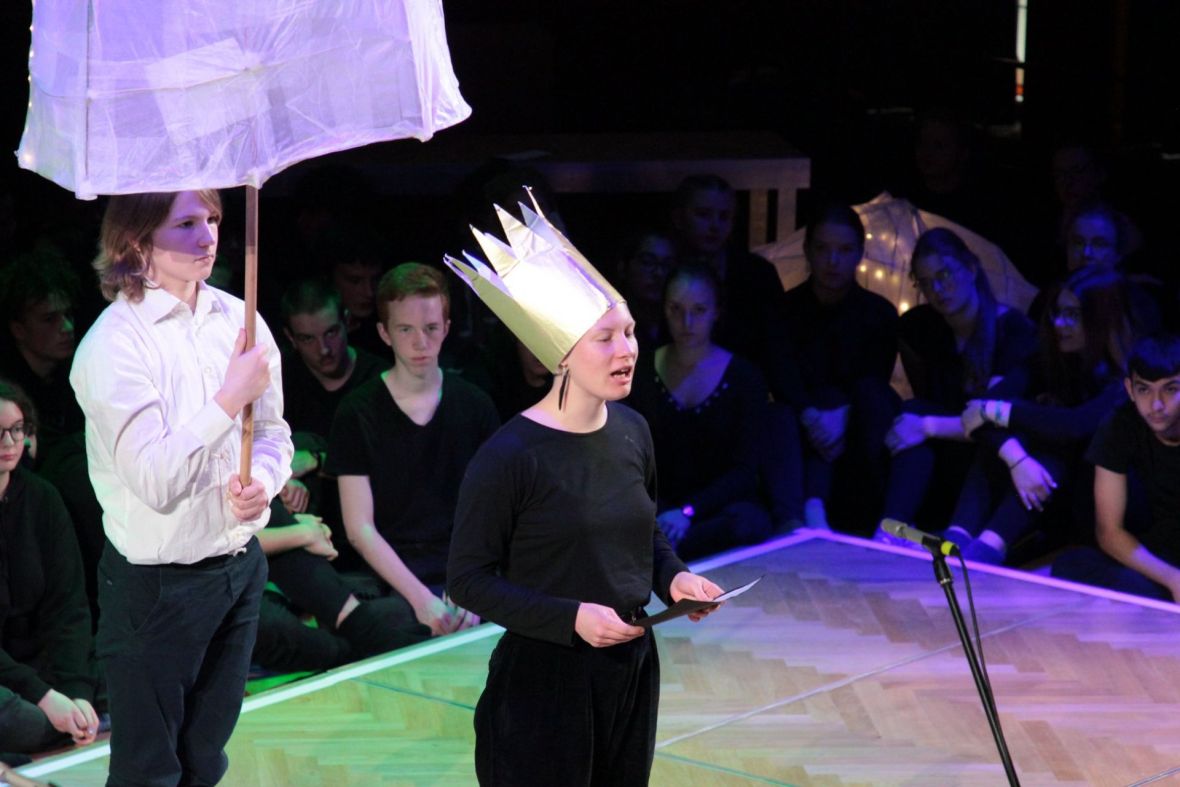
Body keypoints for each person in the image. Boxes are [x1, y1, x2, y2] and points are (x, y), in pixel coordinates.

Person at [446, 193, 724, 785]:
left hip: (630, 666)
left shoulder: (633, 431)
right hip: (544, 685)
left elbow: (641, 531)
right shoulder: (509, 457)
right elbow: (467, 579)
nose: (626, 349)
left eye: (627, 332)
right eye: (605, 338)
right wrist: (571, 618)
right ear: (562, 355)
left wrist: (673, 577)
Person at [70, 189, 293, 786]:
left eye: (214, 219)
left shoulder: (238, 319)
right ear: (138, 240)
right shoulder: (114, 343)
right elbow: (155, 480)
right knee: (150, 769)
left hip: (238, 569)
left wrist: (263, 482)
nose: (208, 236)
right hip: (157, 588)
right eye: (187, 223)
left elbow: (273, 432)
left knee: (204, 759)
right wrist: (228, 398)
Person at [327, 263, 496, 637]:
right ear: (384, 333)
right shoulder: (358, 411)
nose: (420, 342)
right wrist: (421, 600)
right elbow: (359, 528)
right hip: (392, 574)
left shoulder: (475, 405)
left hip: (463, 566)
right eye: (406, 329)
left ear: (447, 328)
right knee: (387, 626)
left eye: (431, 328)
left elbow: (491, 512)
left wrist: (467, 583)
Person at [950, 266, 1135, 563]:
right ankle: (957, 537)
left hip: (1089, 506)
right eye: (1058, 313)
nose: (1060, 323)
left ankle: (987, 549)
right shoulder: (1050, 358)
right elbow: (979, 407)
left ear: (1101, 319)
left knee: (1050, 438)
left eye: (1073, 315)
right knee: (1011, 433)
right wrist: (1016, 458)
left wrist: (1002, 411)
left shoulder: (1126, 379)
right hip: (1041, 493)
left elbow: (1076, 426)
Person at [874, 227, 1037, 540]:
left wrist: (927, 426)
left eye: (945, 274)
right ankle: (888, 531)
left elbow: (994, 420)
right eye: (926, 282)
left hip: (993, 455)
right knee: (910, 411)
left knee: (920, 419)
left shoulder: (1012, 330)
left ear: (971, 269)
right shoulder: (922, 328)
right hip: (947, 456)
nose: (938, 289)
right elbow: (930, 399)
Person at [628, 263, 772, 559]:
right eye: (676, 309)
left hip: (715, 510)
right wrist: (667, 512)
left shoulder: (744, 378)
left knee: (748, 522)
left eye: (699, 310)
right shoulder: (641, 370)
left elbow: (744, 471)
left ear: (716, 311)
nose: (687, 321)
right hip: (658, 507)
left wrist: (689, 511)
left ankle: (672, 547)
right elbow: (630, 457)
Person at [779, 204, 898, 533]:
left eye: (844, 251)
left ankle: (877, 522)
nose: (833, 262)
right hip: (803, 427)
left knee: (872, 398)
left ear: (860, 253)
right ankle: (803, 514)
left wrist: (841, 415)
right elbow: (783, 377)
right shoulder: (784, 310)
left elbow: (874, 380)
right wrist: (811, 414)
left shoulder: (880, 314)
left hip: (858, 429)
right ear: (808, 251)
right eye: (823, 249)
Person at [0, 380, 99, 756]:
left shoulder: (42, 497)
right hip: (10, 678)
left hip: (37, 660)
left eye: (17, 430)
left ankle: (71, 718)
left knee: (138, 674)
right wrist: (44, 697)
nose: (10, 442)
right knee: (15, 719)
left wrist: (75, 692)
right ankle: (58, 724)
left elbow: (68, 605)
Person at [1051, 335, 1180, 601]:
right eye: (1144, 389)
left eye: (1170, 389)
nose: (1156, 405)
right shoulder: (1119, 424)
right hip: (1157, 552)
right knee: (1071, 565)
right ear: (1130, 389)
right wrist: (1172, 578)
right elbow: (1109, 532)